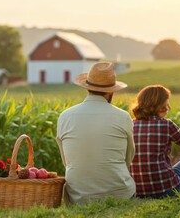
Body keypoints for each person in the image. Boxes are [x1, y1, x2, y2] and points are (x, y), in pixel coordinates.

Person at [56, 62, 136, 204]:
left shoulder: (65, 116)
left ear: (87, 88)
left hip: (78, 197)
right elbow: (128, 158)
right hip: (120, 195)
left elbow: (67, 161)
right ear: (111, 91)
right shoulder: (123, 116)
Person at [129, 85, 180, 198]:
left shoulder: (130, 125)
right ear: (160, 105)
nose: (168, 107)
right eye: (166, 103)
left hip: (138, 192)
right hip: (166, 191)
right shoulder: (166, 125)